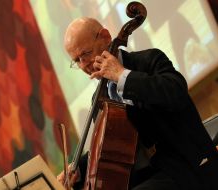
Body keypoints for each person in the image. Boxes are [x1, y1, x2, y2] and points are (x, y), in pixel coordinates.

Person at [57, 17, 218, 190]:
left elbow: (176, 91)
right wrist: (78, 169)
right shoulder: (99, 98)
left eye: (86, 53)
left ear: (105, 36)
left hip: (186, 166)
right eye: (77, 60)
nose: (84, 65)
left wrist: (122, 76)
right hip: (146, 178)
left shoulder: (149, 60)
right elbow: (113, 145)